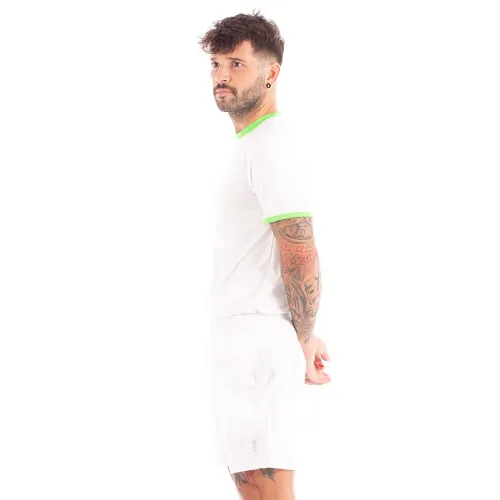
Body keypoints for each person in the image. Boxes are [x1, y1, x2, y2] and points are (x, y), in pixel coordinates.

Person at [199, 9, 331, 500]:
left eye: (236, 64)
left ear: (272, 73)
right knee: (254, 490)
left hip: (257, 342)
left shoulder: (272, 144)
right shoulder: (251, 144)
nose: (222, 76)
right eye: (216, 64)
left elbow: (300, 251)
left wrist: (303, 338)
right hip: (241, 338)